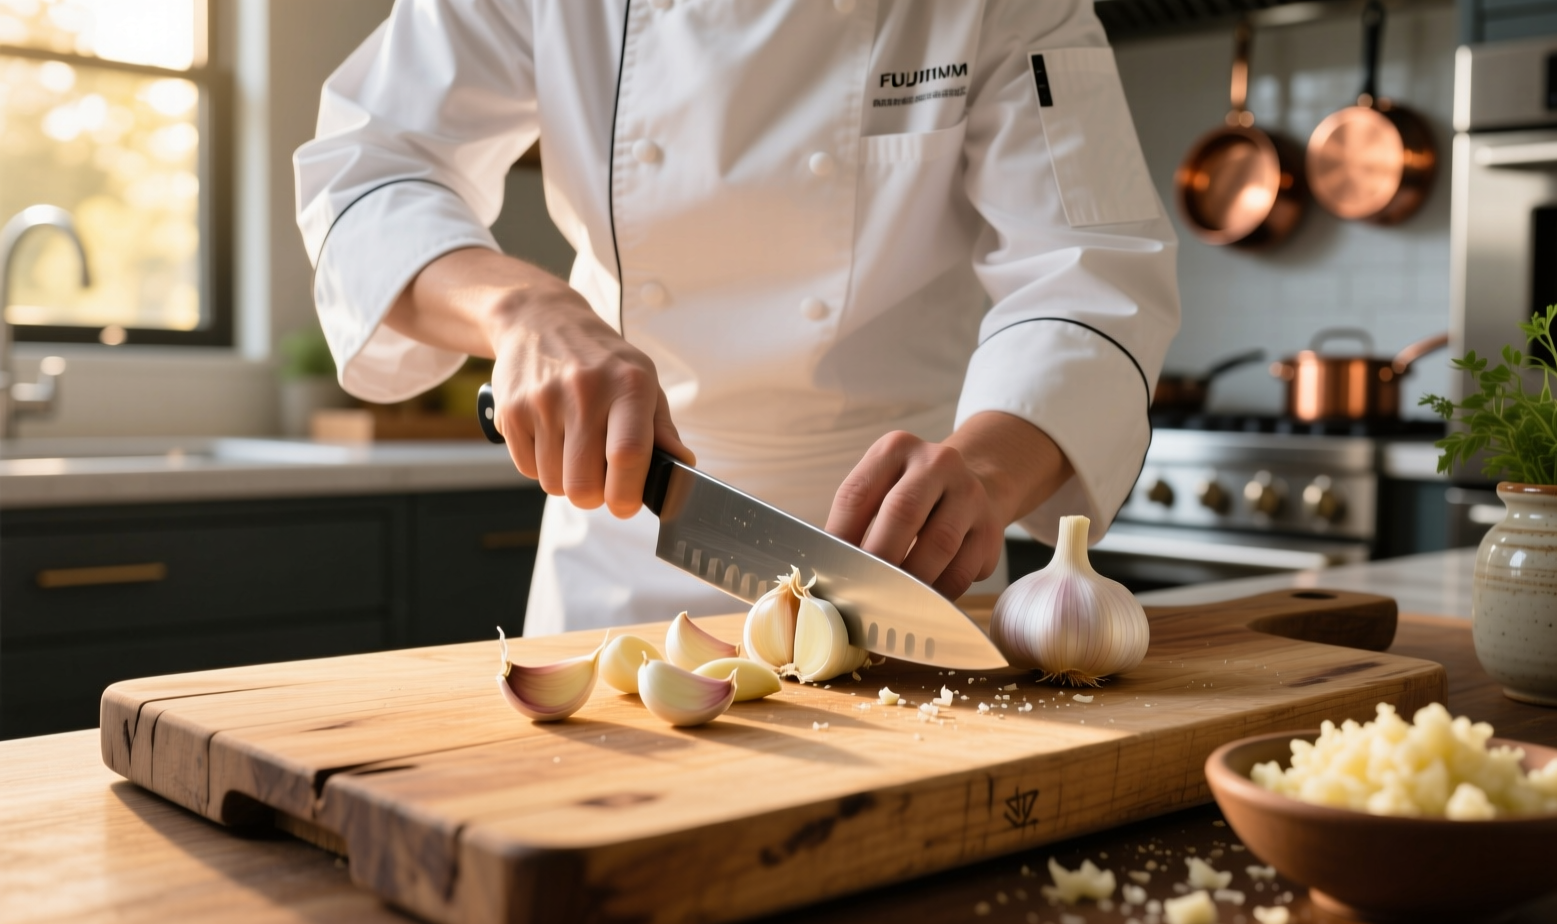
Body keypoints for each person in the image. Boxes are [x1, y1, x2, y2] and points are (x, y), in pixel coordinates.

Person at [295, 0, 1179, 635]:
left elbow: (1091, 269)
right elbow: (367, 170)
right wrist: (521, 309)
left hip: (906, 556)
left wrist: (981, 480)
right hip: (624, 526)